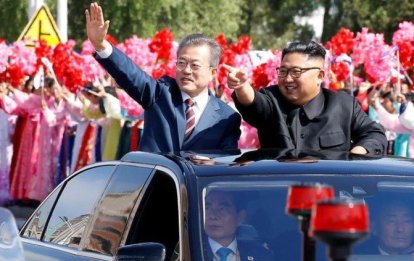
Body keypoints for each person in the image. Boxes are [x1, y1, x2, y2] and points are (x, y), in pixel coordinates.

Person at [85, 3, 241, 153]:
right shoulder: (160, 93)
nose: (186, 70)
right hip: (153, 179)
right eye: (181, 62)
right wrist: (101, 45)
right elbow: (131, 73)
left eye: (195, 65)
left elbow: (224, 166)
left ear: (213, 72)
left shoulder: (226, 117)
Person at [225, 41, 387, 155]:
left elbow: (374, 135)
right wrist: (242, 86)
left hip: (330, 196)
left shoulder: (344, 105)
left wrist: (354, 156)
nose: (288, 79)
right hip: (279, 195)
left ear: (319, 76)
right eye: (283, 71)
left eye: (296, 72)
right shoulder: (271, 98)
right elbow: (255, 104)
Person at [204, 190, 274, 261]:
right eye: (207, 208)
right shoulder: (191, 254)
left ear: (240, 217)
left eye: (222, 209)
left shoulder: (261, 256)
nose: (213, 216)